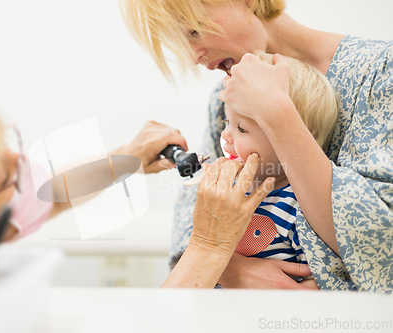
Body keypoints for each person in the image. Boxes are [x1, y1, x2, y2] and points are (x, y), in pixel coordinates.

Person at [121, 0, 393, 292]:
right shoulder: (225, 98)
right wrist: (231, 268)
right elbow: (195, 220)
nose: (192, 58)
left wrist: (276, 112)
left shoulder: (380, 70)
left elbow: (380, 247)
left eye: (194, 32)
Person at [0, 100, 275, 288]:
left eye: (7, 148)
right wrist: (209, 246)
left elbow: (51, 195)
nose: (21, 163)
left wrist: (124, 160)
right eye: (4, 180)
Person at [217, 52, 337, 274]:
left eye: (241, 128)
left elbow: (320, 281)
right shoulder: (227, 191)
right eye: (227, 122)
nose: (226, 136)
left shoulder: (299, 207)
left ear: (286, 136)